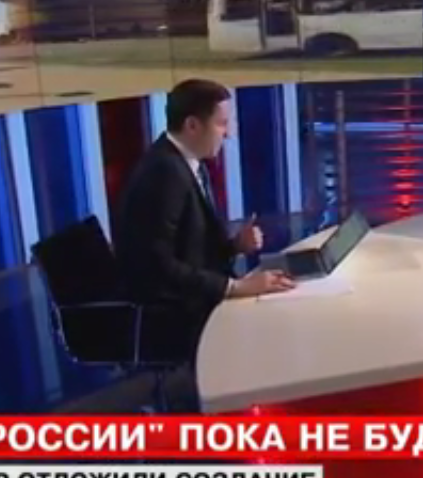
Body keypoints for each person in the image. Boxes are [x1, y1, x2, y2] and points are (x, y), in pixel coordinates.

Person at [111, 78, 295, 370]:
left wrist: (235, 246)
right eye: (222, 124)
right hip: (175, 311)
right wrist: (234, 287)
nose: (229, 133)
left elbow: (189, 247)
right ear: (192, 125)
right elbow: (156, 267)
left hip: (195, 293)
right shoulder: (164, 173)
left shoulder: (188, 162)